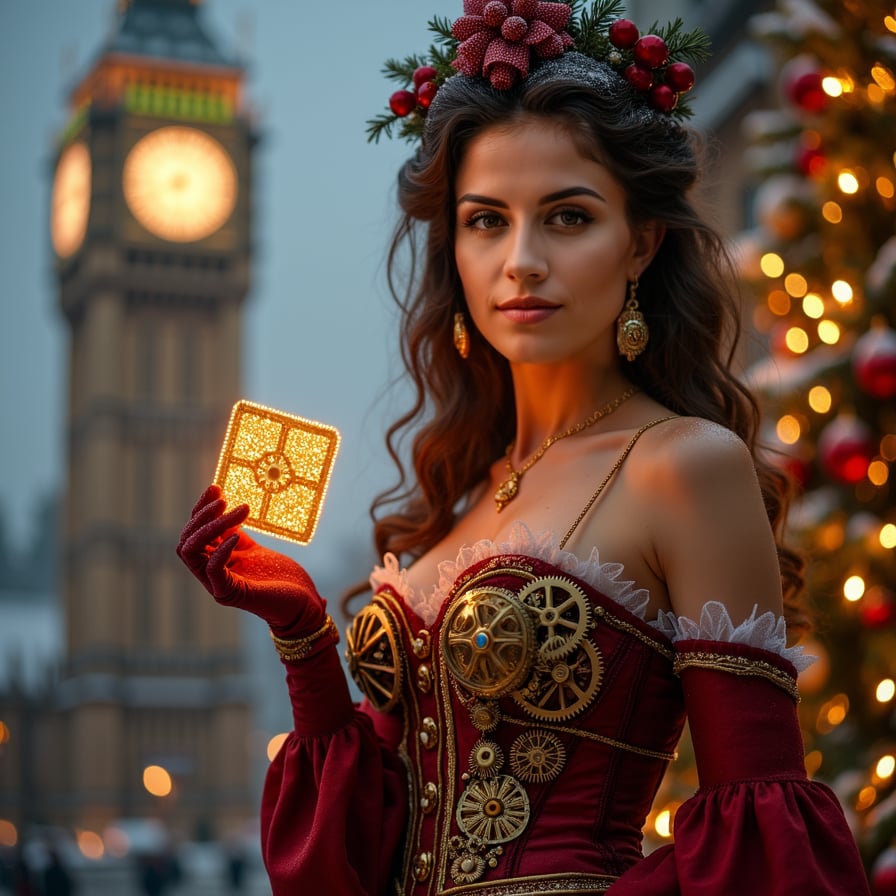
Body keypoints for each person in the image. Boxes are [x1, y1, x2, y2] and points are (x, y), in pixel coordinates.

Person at [177, 1, 872, 893]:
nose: (521, 261)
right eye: (486, 220)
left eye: (568, 218)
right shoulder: (461, 492)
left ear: (641, 243)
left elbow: (761, 840)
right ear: (454, 249)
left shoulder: (685, 464)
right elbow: (357, 852)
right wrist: (306, 640)